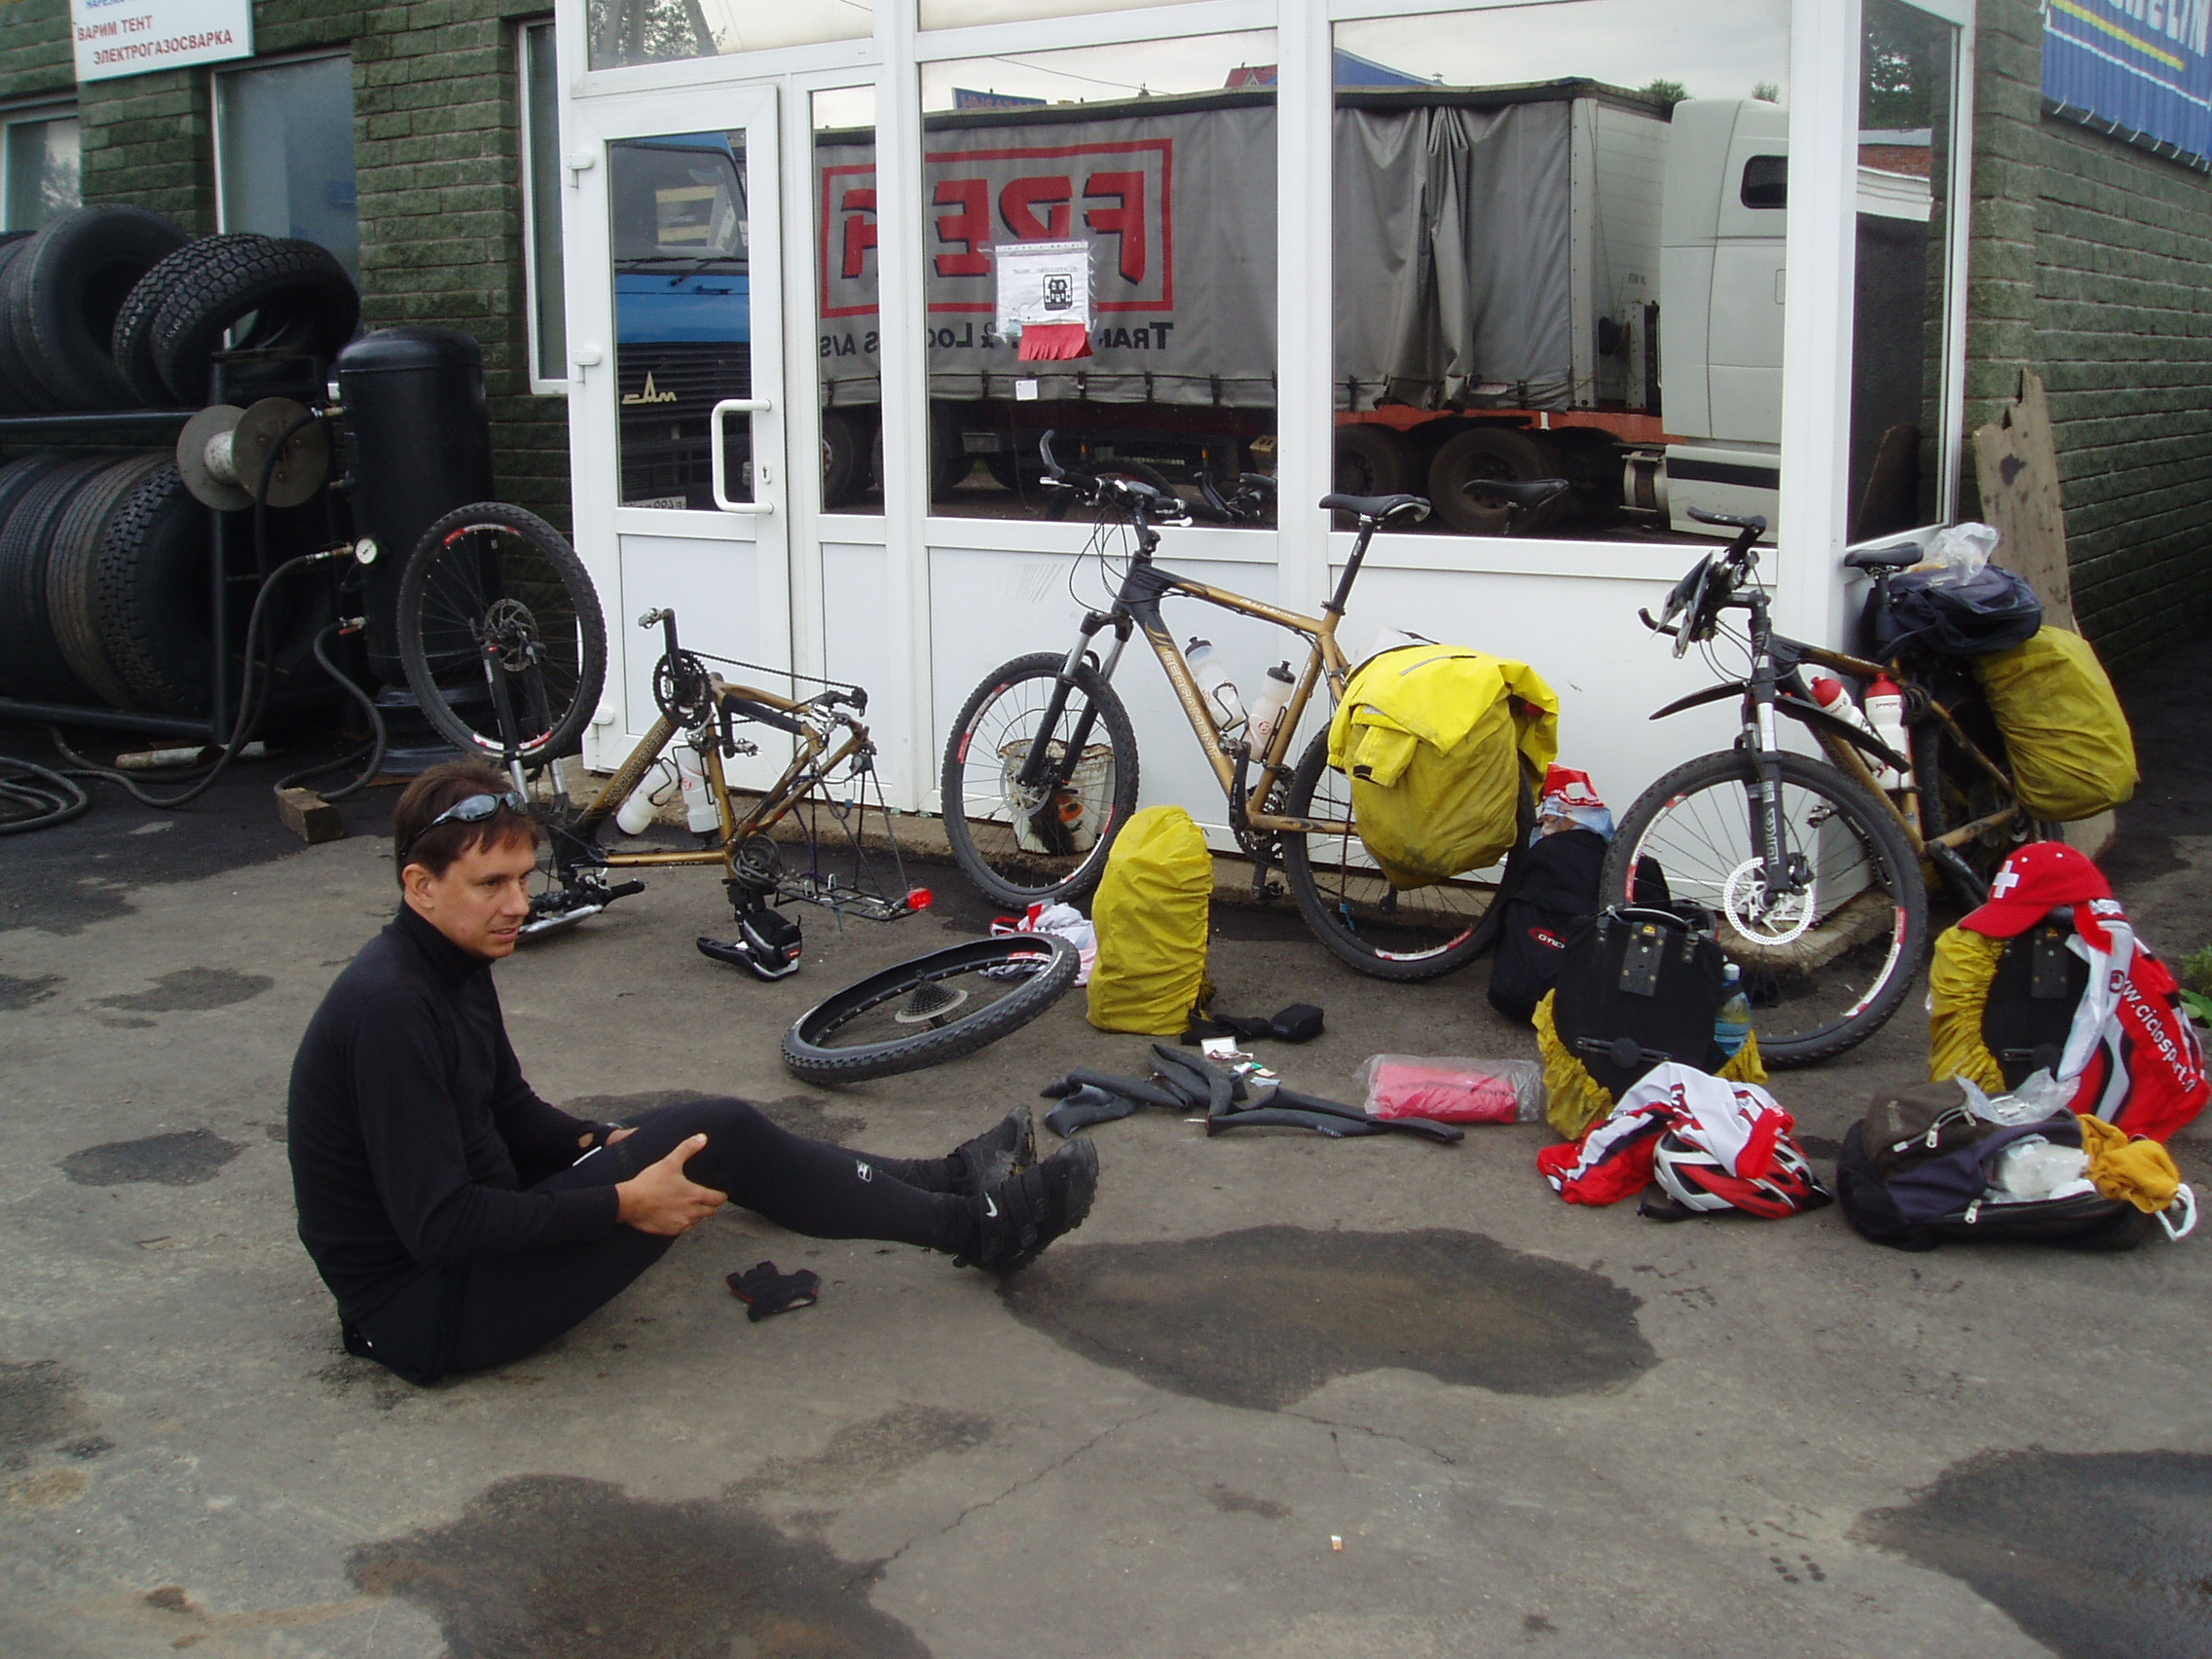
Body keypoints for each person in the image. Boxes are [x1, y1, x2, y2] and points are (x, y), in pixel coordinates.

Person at [287, 758, 1098, 1385]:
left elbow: (507, 1107)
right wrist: (623, 1200)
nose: (519, 904)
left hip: (469, 1255)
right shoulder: (392, 1009)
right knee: (719, 1137)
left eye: (525, 878)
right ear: (420, 886)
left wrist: (598, 1141)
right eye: (491, 884)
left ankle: (950, 1180)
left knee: (710, 1136)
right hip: (430, 1311)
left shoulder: (447, 961)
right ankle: (978, 1227)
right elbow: (439, 1226)